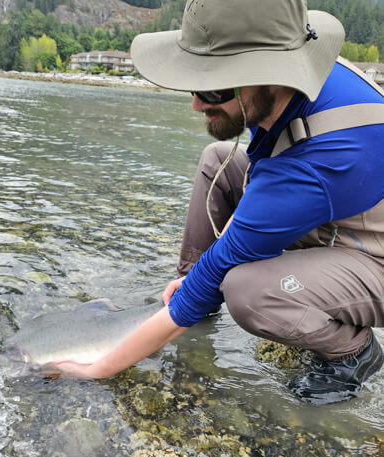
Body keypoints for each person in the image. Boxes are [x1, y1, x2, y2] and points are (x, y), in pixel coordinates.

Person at [53, 0, 384, 405]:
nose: (196, 104)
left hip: (372, 254)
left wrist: (96, 369)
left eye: (212, 88)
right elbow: (252, 217)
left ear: (269, 77)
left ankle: (351, 351)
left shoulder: (317, 162)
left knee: (246, 290)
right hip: (328, 209)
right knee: (217, 161)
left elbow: (263, 215)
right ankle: (190, 291)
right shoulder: (294, 82)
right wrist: (196, 279)